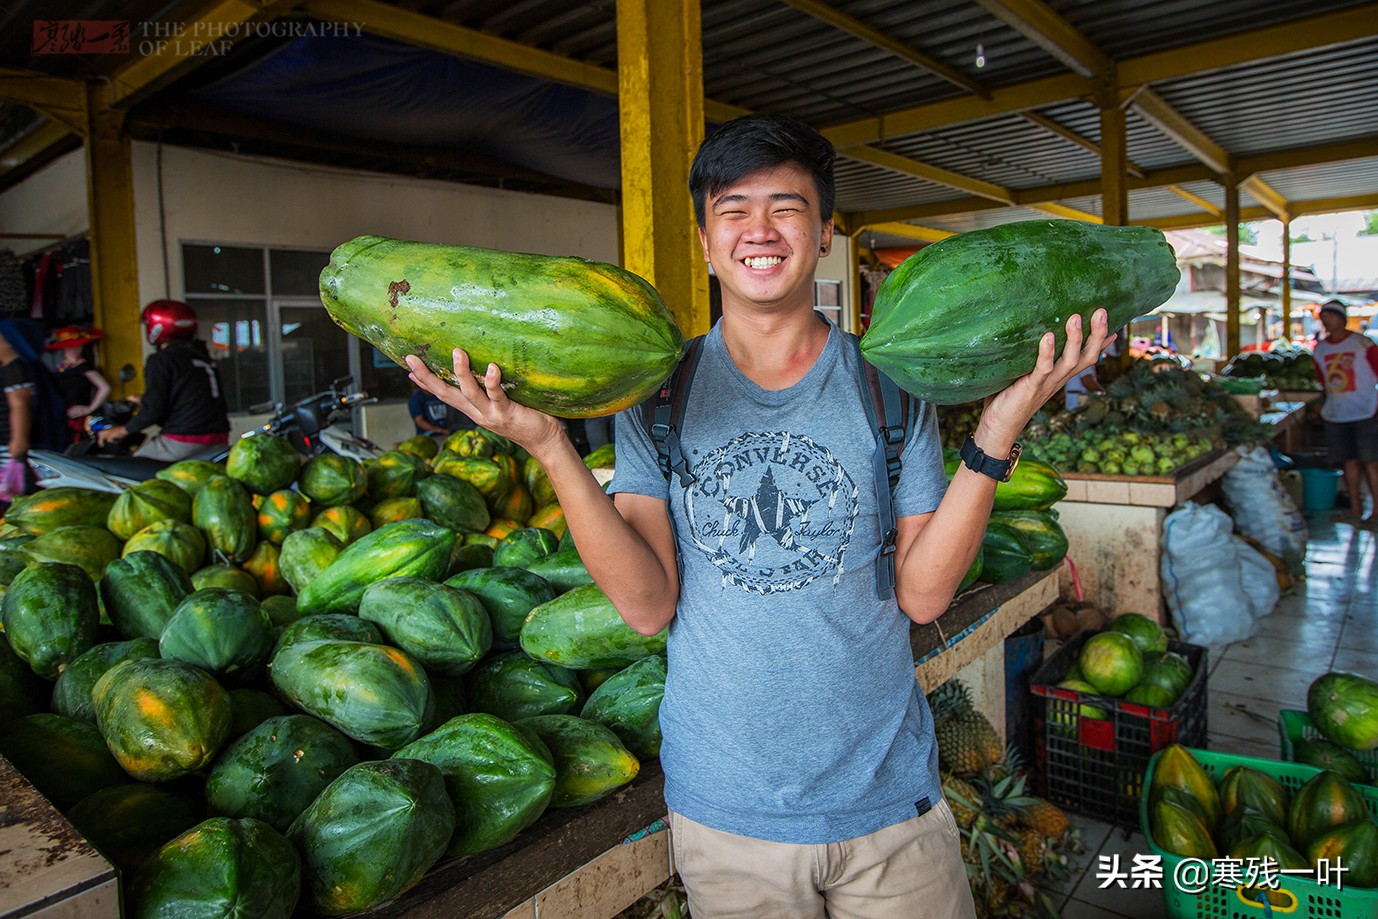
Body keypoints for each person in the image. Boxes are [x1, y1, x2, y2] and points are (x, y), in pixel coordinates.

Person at [407, 113, 1109, 918]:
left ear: (823, 235)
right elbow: (645, 606)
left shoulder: (888, 387)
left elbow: (922, 597)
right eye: (733, 210)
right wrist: (552, 448)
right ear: (706, 240)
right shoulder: (657, 397)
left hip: (891, 812)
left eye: (786, 206)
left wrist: (996, 433)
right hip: (728, 821)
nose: (760, 229)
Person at [96, 300, 230, 461]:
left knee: (127, 473)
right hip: (219, 440)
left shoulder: (161, 359)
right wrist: (144, 400)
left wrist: (122, 430)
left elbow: (153, 411)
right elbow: (188, 399)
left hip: (184, 441)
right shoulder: (202, 357)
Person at [1311, 299, 1378, 523]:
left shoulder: (1363, 344)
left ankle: (1376, 510)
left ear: (1341, 318)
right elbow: (1323, 380)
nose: (1325, 322)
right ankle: (1355, 508)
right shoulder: (1320, 349)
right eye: (1323, 318)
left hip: (1366, 410)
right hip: (1337, 413)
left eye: (1329, 317)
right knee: (1348, 461)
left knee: (1370, 461)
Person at [0, 318, 68, 501]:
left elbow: (19, 405)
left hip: (12, 448)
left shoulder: (16, 369)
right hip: (9, 447)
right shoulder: (18, 368)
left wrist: (18, 440)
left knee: (17, 498)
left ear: (10, 341)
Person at [44, 325, 112, 442]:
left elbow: (105, 387)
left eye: (78, 346)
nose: (76, 349)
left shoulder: (83, 366)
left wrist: (90, 408)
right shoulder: (60, 367)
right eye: (70, 347)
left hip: (74, 419)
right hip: (56, 416)